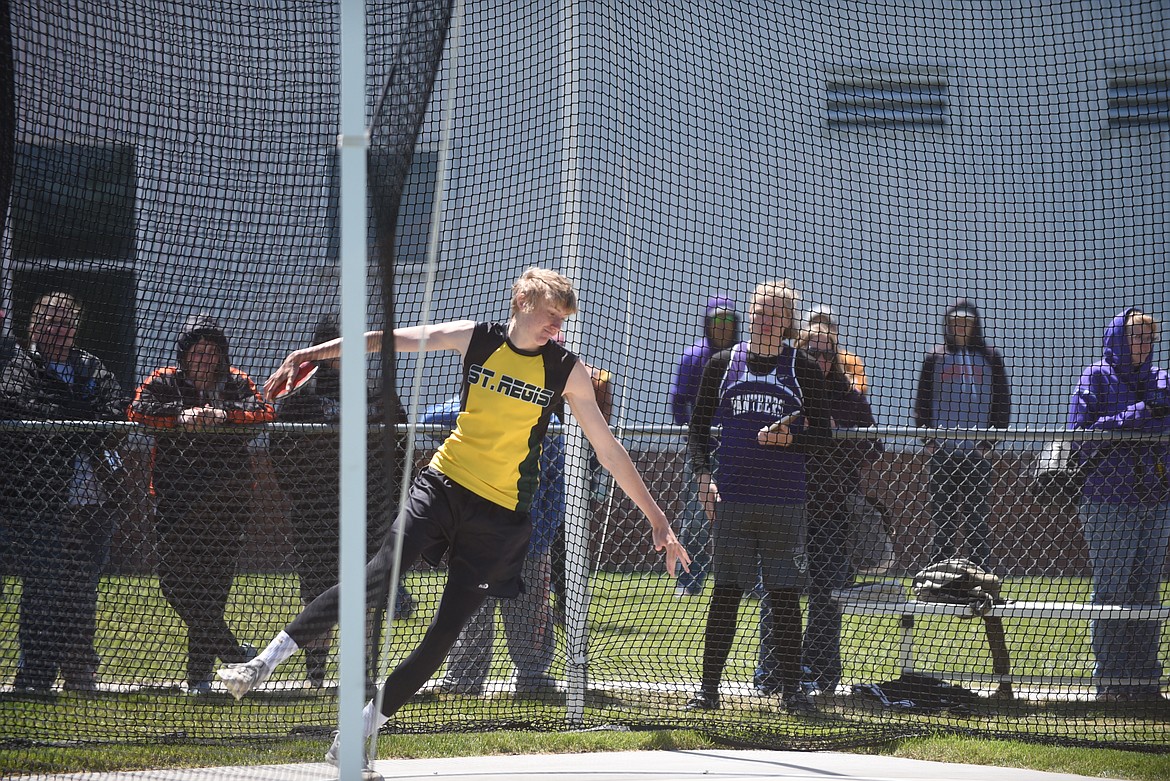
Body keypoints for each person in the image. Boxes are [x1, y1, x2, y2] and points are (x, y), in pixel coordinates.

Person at [217, 268, 689, 769]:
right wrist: (313, 354)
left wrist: (658, 519)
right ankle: (259, 665)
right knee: (378, 575)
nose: (558, 324)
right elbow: (388, 340)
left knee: (443, 635)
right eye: (552, 314)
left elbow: (608, 448)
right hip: (443, 485)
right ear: (524, 299)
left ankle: (354, 737)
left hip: (501, 518)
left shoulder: (566, 370)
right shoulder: (476, 338)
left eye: (564, 319)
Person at [685, 280, 830, 715]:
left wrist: (791, 438)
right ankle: (708, 690)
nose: (765, 317)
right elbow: (697, 429)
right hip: (732, 496)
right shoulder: (723, 362)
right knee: (725, 593)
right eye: (760, 309)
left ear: (788, 322)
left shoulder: (801, 365)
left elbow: (823, 437)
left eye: (775, 312)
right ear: (751, 313)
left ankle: (791, 692)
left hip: (784, 499)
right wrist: (703, 477)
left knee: (784, 595)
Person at [127, 314, 275, 694]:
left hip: (228, 501)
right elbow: (137, 411)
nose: (205, 360)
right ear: (185, 355)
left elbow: (264, 412)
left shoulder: (237, 382)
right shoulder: (163, 382)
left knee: (213, 590)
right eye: (198, 352)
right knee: (174, 584)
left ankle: (199, 680)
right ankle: (236, 656)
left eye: (212, 353)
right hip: (176, 500)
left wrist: (222, 416)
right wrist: (180, 417)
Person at [268, 313, 412, 690]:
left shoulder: (376, 396)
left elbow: (400, 452)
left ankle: (364, 672)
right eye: (336, 346)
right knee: (318, 590)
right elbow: (280, 451)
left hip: (369, 512)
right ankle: (316, 672)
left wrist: (393, 500)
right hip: (316, 512)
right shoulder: (302, 398)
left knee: (365, 592)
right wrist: (303, 492)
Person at [0, 292, 128, 692]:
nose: (61, 330)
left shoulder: (91, 367)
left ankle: (79, 670)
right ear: (34, 326)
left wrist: (72, 414)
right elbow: (23, 408)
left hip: (93, 501)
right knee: (43, 589)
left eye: (67, 323)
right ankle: (35, 674)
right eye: (52, 322)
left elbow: (115, 413)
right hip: (39, 499)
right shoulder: (18, 365)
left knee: (81, 589)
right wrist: (78, 412)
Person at [422, 394, 563, 696]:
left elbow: (555, 488)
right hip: (477, 536)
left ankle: (533, 676)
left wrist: (542, 536)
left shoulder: (548, 424)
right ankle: (463, 680)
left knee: (529, 611)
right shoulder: (477, 409)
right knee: (471, 613)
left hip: (528, 538)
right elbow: (427, 419)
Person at [1068, 307, 1170, 703]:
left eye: (1149, 338)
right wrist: (1139, 413)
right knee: (1113, 591)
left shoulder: (1162, 378)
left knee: (1146, 592)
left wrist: (1138, 421)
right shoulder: (1097, 376)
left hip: (1158, 499)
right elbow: (1082, 434)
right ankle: (1111, 681)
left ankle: (1145, 682)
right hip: (1108, 500)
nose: (1143, 345)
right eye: (1136, 336)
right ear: (1119, 337)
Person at [793, 321, 878, 696]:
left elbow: (874, 446)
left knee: (828, 597)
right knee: (780, 592)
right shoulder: (788, 388)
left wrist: (836, 432)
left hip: (834, 508)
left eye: (828, 353)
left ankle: (824, 673)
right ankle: (775, 672)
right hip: (790, 505)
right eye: (812, 351)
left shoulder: (849, 397)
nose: (821, 359)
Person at [913, 299, 1011, 568]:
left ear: (975, 325)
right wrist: (929, 441)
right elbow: (922, 402)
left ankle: (982, 577)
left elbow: (1001, 402)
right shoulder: (935, 357)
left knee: (977, 521)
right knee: (942, 522)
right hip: (942, 453)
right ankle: (937, 578)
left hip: (977, 455)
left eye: (966, 323)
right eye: (955, 322)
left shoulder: (990, 357)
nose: (960, 327)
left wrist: (990, 443)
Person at [668, 295, 740, 596]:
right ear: (707, 323)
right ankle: (689, 581)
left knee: (742, 515)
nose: (721, 326)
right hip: (705, 450)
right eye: (716, 320)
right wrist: (692, 433)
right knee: (696, 518)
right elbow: (678, 399)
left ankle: (747, 582)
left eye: (727, 320)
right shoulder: (694, 356)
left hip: (739, 448)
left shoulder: (742, 356)